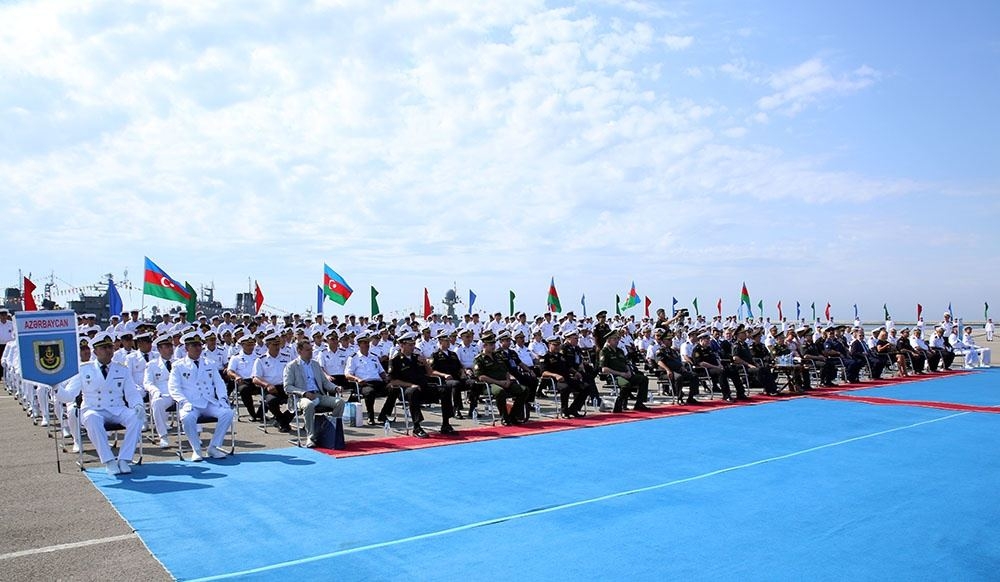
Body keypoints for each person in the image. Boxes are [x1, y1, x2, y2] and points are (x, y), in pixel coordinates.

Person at [57, 332, 144, 476]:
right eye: (103, 348)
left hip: (117, 408)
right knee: (92, 418)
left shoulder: (122, 369)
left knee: (136, 417)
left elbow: (132, 393)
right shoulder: (84, 369)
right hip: (93, 409)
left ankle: (124, 459)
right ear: (95, 351)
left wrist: (138, 405)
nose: (108, 350)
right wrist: (56, 388)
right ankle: (109, 460)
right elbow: (68, 396)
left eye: (110, 347)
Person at [167, 332, 235, 461]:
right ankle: (196, 449)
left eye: (199, 345)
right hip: (191, 403)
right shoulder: (178, 365)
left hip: (208, 402)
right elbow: (173, 387)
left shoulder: (210, 363)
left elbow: (219, 383)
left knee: (228, 413)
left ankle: (213, 447)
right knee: (187, 417)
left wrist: (222, 399)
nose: (198, 348)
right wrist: (183, 401)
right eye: (194, 345)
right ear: (186, 348)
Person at [283, 339, 346, 448]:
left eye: (311, 350)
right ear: (299, 351)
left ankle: (329, 429)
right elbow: (287, 386)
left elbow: (325, 382)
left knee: (339, 402)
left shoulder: (315, 364)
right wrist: (304, 393)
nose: (311, 352)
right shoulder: (291, 366)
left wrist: (335, 388)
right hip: (300, 397)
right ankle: (310, 437)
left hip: (318, 395)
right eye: (307, 350)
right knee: (308, 405)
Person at [387, 331, 441, 437]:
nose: (412, 347)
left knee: (445, 389)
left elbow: (430, 373)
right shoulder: (395, 361)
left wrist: (425, 363)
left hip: (423, 387)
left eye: (413, 344)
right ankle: (417, 427)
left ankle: (446, 423)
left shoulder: (417, 358)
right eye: (410, 344)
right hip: (406, 390)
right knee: (414, 392)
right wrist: (410, 385)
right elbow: (393, 381)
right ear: (402, 345)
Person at [473, 332, 527, 425]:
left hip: (504, 382)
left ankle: (513, 415)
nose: (493, 346)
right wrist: (499, 382)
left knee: (524, 390)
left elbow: (506, 371)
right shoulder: (479, 359)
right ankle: (504, 417)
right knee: (500, 392)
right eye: (490, 344)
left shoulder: (498, 356)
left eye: (493, 344)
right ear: (484, 345)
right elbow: (481, 377)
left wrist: (508, 380)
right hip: (489, 385)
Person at [345, 332, 394, 426]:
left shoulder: (374, 356)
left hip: (378, 382)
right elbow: (347, 374)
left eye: (367, 342)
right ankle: (370, 416)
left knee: (394, 389)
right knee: (369, 392)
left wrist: (387, 377)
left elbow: (381, 371)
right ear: (359, 344)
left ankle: (383, 414)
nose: (367, 345)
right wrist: (357, 379)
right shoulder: (353, 358)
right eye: (364, 343)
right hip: (364, 383)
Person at [251, 332, 294, 432]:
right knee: (271, 401)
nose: (277, 347)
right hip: (270, 388)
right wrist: (267, 385)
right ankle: (282, 421)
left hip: (286, 387)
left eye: (278, 344)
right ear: (267, 345)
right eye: (274, 344)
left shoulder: (287, 357)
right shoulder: (260, 360)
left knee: (299, 401)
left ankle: (282, 421)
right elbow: (255, 378)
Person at [599, 330, 650, 411]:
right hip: (614, 376)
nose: (617, 341)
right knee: (626, 384)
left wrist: (629, 371)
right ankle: (620, 404)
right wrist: (621, 374)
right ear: (608, 340)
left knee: (643, 379)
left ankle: (639, 403)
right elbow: (604, 369)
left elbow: (626, 363)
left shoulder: (620, 351)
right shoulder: (604, 351)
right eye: (614, 339)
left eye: (617, 339)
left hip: (626, 374)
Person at [143, 334, 178, 448]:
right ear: (159, 349)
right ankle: (163, 436)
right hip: (164, 394)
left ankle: (195, 435)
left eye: (170, 346)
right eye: (166, 346)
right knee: (157, 403)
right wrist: (155, 391)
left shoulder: (179, 362)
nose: (170, 348)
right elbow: (147, 383)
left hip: (179, 393)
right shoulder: (152, 365)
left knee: (193, 401)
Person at [691, 332, 744, 402]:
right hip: (703, 370)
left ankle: (740, 393)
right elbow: (701, 363)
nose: (708, 341)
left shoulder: (708, 348)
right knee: (721, 372)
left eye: (709, 339)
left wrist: (720, 365)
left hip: (714, 368)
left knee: (732, 370)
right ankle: (726, 395)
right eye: (707, 340)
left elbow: (716, 359)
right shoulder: (697, 350)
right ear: (701, 340)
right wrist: (716, 367)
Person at [227, 332, 261, 420]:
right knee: (244, 390)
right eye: (248, 345)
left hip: (257, 380)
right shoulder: (236, 357)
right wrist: (236, 376)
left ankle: (260, 413)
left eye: (252, 345)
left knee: (271, 391)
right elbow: (230, 371)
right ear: (242, 345)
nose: (251, 347)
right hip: (243, 381)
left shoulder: (258, 357)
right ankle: (253, 414)